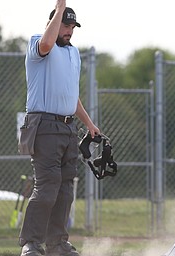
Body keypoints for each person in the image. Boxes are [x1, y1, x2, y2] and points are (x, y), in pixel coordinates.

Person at [18, 1, 100, 255]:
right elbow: (45, 44)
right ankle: (31, 243)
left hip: (67, 127)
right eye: (65, 24)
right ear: (53, 22)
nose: (69, 30)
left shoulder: (73, 53)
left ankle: (57, 243)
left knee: (65, 189)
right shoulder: (39, 43)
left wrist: (89, 124)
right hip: (43, 124)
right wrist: (60, 5)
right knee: (48, 185)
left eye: (72, 26)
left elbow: (71, 95)